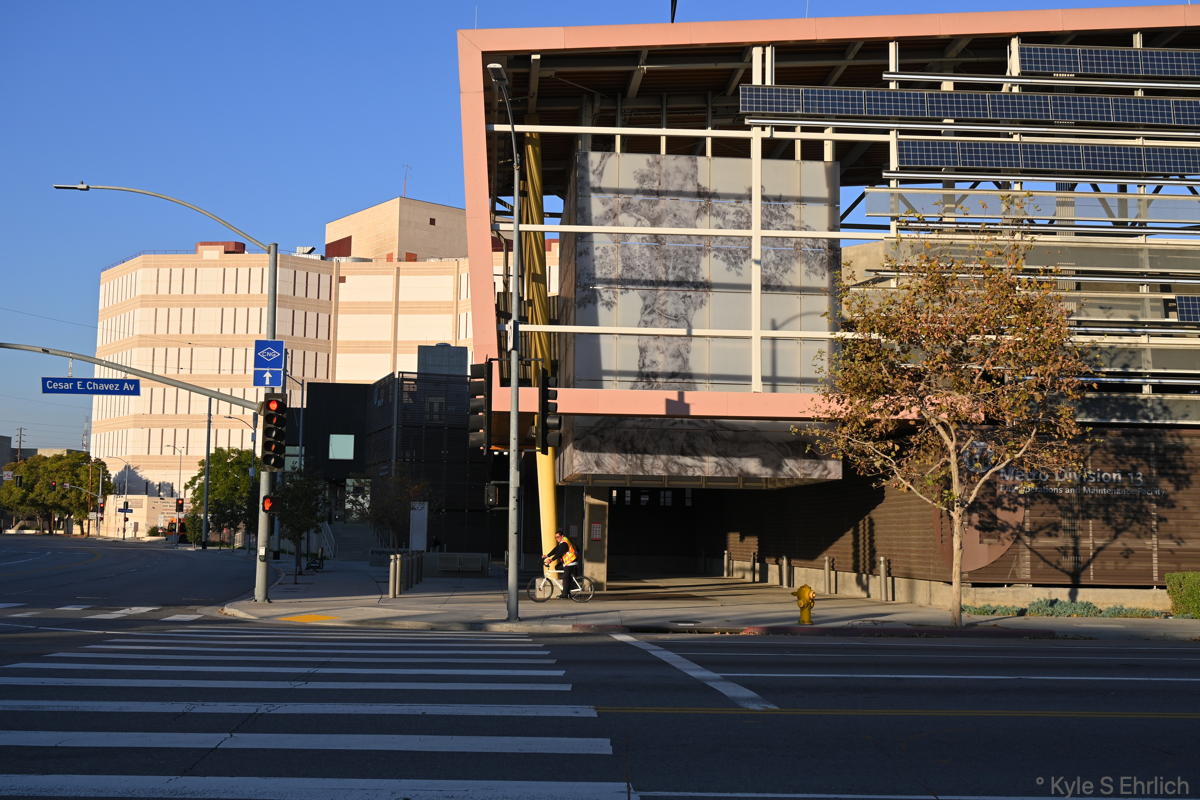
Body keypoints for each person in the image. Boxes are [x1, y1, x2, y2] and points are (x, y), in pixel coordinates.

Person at [542, 531, 578, 599]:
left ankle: (565, 594)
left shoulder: (564, 543)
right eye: (555, 537)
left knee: (565, 577)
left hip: (571, 562)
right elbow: (556, 549)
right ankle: (568, 587)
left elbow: (559, 553)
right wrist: (547, 555)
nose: (557, 539)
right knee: (557, 567)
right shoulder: (561, 542)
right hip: (567, 562)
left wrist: (551, 560)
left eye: (558, 537)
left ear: (562, 536)